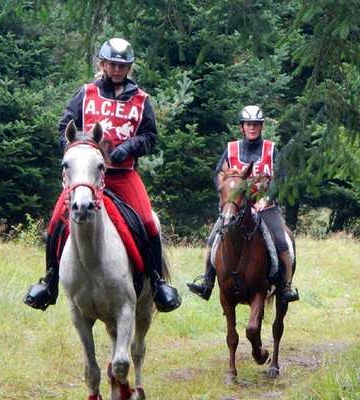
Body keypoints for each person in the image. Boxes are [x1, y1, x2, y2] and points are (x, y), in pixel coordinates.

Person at [25, 38, 181, 312]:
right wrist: (75, 153)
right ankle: (49, 281)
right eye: (112, 64)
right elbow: (64, 128)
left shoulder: (141, 99)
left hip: (122, 175)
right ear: (103, 64)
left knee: (147, 221)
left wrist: (128, 148)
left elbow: (150, 136)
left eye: (123, 65)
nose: (117, 70)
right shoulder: (85, 93)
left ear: (129, 67)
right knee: (55, 222)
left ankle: (157, 282)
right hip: (85, 175)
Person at [187, 105, 299, 302]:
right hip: (236, 207)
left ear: (261, 126)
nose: (252, 128)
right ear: (242, 127)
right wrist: (224, 194)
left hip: (265, 207)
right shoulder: (231, 149)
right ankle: (207, 282)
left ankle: (286, 286)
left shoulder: (271, 149)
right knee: (213, 240)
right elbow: (218, 175)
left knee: (282, 242)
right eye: (249, 124)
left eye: (256, 124)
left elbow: (281, 178)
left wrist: (267, 198)